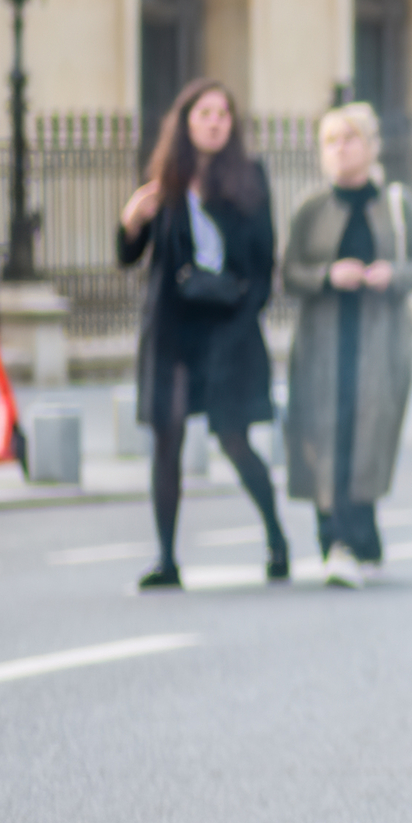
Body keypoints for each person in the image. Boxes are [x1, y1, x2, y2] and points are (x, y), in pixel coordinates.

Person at [117, 80, 285, 588]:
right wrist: (129, 224)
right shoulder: (166, 179)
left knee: (233, 438)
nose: (214, 122)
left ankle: (277, 538)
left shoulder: (251, 178)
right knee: (166, 439)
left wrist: (243, 312)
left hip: (227, 330)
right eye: (204, 113)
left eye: (223, 114)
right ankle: (167, 558)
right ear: (186, 122)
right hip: (172, 329)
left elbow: (263, 264)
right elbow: (131, 256)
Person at [279, 102, 412, 585]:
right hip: (324, 342)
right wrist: (328, 275)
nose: (339, 150)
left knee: (369, 435)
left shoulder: (394, 204)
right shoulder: (311, 206)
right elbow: (287, 273)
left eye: (349, 139)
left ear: (371, 147)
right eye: (330, 141)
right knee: (324, 436)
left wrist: (392, 274)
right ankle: (336, 540)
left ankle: (362, 530)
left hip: (379, 343)